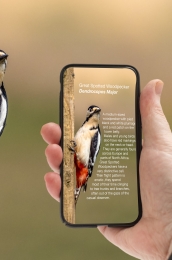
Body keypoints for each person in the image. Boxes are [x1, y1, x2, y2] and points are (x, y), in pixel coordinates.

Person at [41, 80, 172, 260]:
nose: (94, 114)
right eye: (91, 111)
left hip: (83, 166)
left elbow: (88, 158)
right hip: (79, 165)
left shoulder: (95, 133)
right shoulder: (84, 129)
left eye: (97, 112)